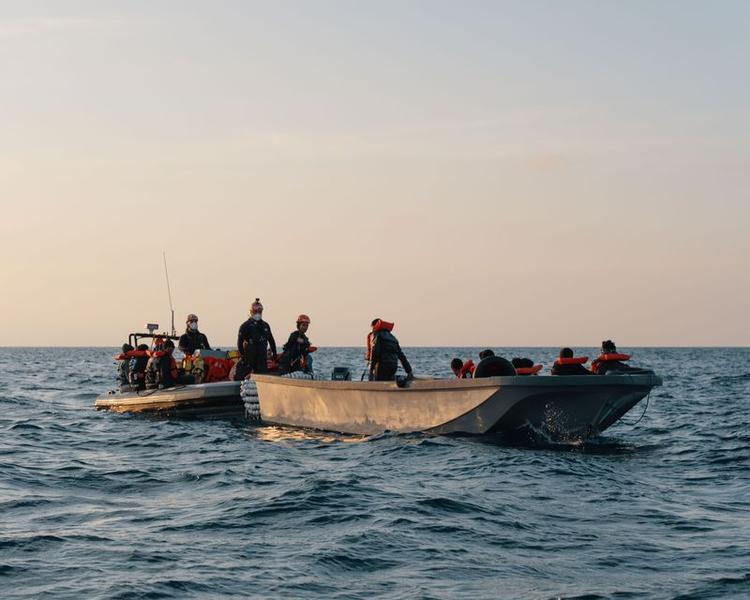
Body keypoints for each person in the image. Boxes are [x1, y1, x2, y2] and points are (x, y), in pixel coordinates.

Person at [235, 298, 277, 380]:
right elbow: (239, 342)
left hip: (261, 358)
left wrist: (274, 353)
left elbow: (271, 340)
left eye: (259, 312)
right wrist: (243, 356)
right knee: (241, 376)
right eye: (255, 312)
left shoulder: (265, 326)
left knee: (262, 376)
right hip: (249, 357)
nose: (258, 314)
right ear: (251, 312)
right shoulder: (245, 326)